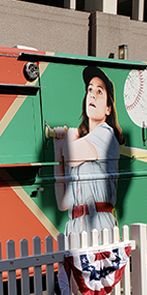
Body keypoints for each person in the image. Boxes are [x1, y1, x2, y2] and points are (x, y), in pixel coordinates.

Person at [48, 67, 122, 238]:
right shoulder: (82, 142)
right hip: (74, 225)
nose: (93, 95)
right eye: (90, 90)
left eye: (99, 92)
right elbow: (62, 202)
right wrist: (57, 146)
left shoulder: (106, 134)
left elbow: (71, 158)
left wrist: (67, 141)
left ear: (108, 109)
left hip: (98, 223)